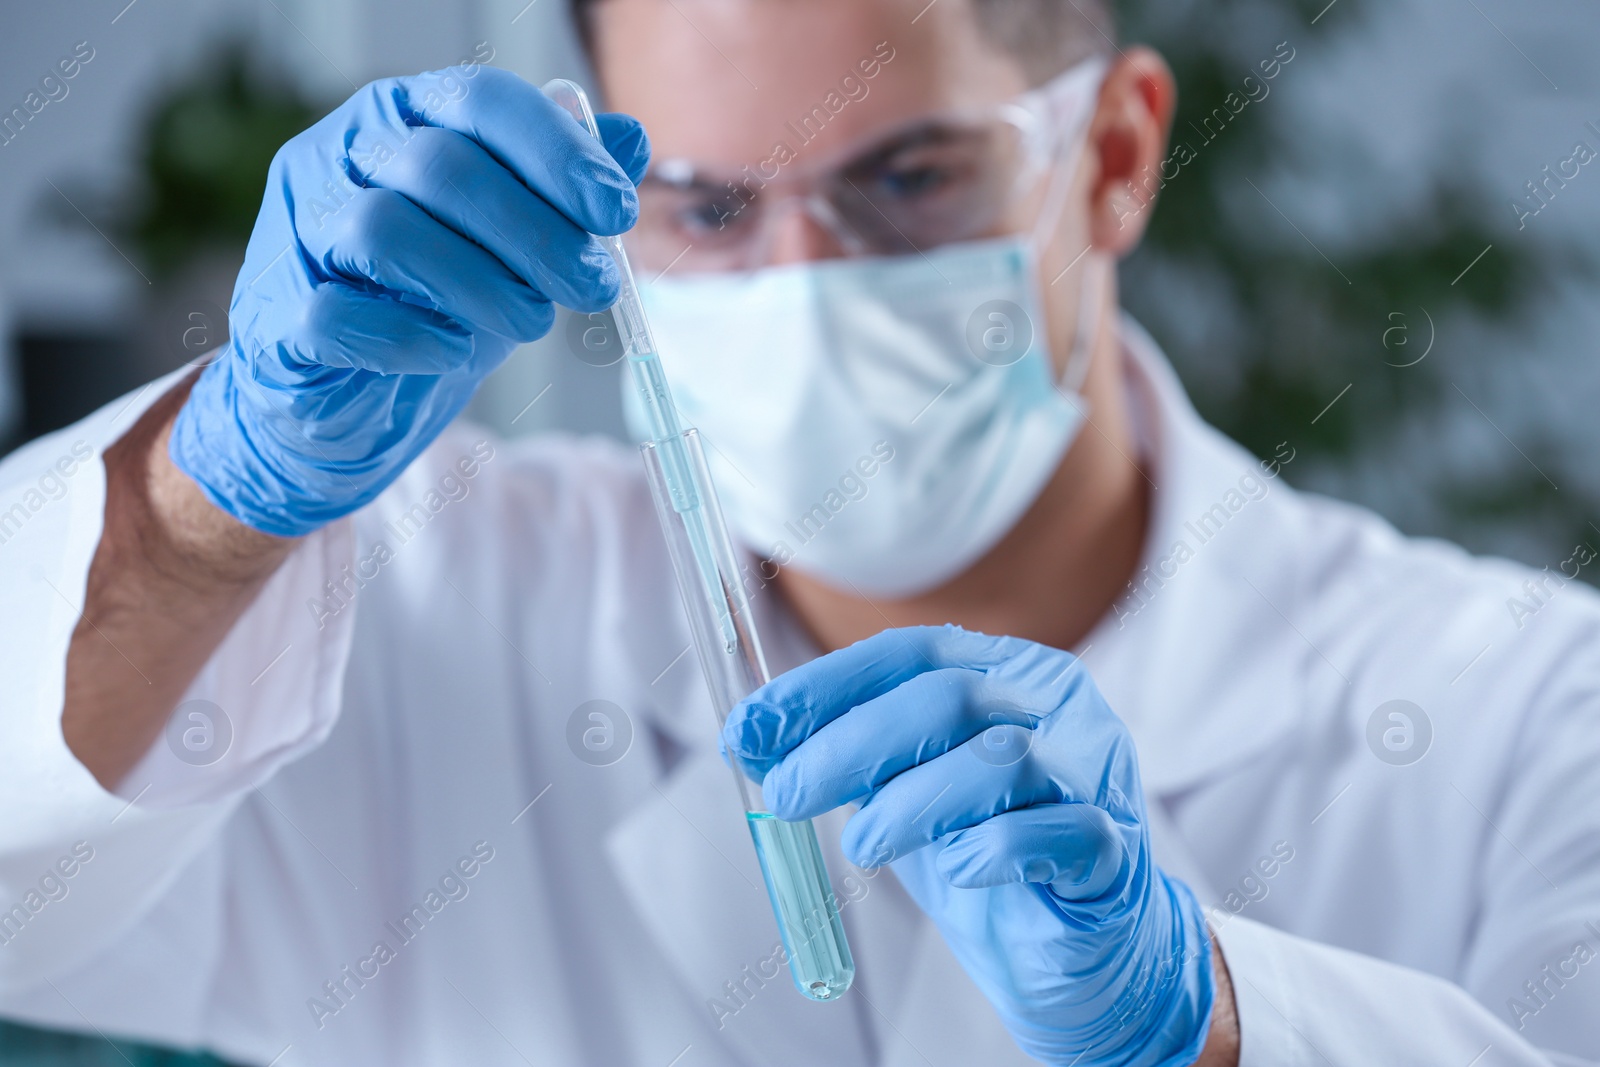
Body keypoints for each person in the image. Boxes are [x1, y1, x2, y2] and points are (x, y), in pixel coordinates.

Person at [0, 0, 1595, 1063]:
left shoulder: (1526, 706)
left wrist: (1225, 1024)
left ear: (1110, 156)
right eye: (703, 209)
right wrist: (208, 510)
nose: (805, 281)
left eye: (906, 177)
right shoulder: (417, 611)